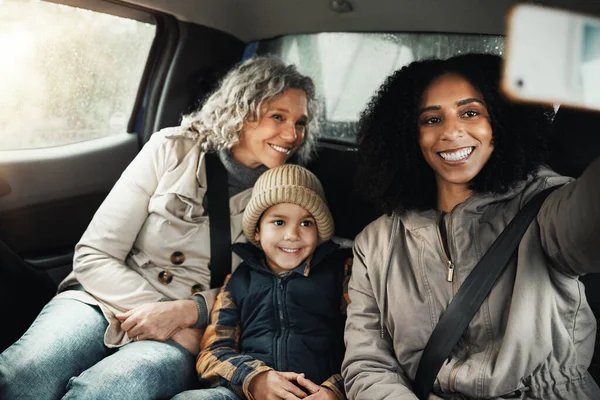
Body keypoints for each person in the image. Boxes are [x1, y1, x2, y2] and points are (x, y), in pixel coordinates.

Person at [0, 56, 317, 400]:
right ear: (242, 110)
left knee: (108, 390)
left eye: (300, 123)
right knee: (25, 373)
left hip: (190, 328)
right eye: (278, 117)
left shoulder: (291, 192)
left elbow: (270, 289)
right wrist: (157, 311)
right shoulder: (172, 148)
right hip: (103, 298)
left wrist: (186, 313)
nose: (292, 135)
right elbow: (94, 254)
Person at [342, 53, 600, 399]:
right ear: (408, 136)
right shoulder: (374, 243)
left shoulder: (547, 206)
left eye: (470, 112)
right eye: (432, 119)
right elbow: (368, 363)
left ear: (501, 122)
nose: (451, 132)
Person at [172, 164, 349, 400]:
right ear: (256, 231)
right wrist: (254, 379)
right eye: (279, 222)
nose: (292, 235)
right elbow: (212, 354)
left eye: (306, 223)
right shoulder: (238, 281)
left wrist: (334, 391)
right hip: (246, 393)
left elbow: (364, 349)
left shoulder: (340, 273)